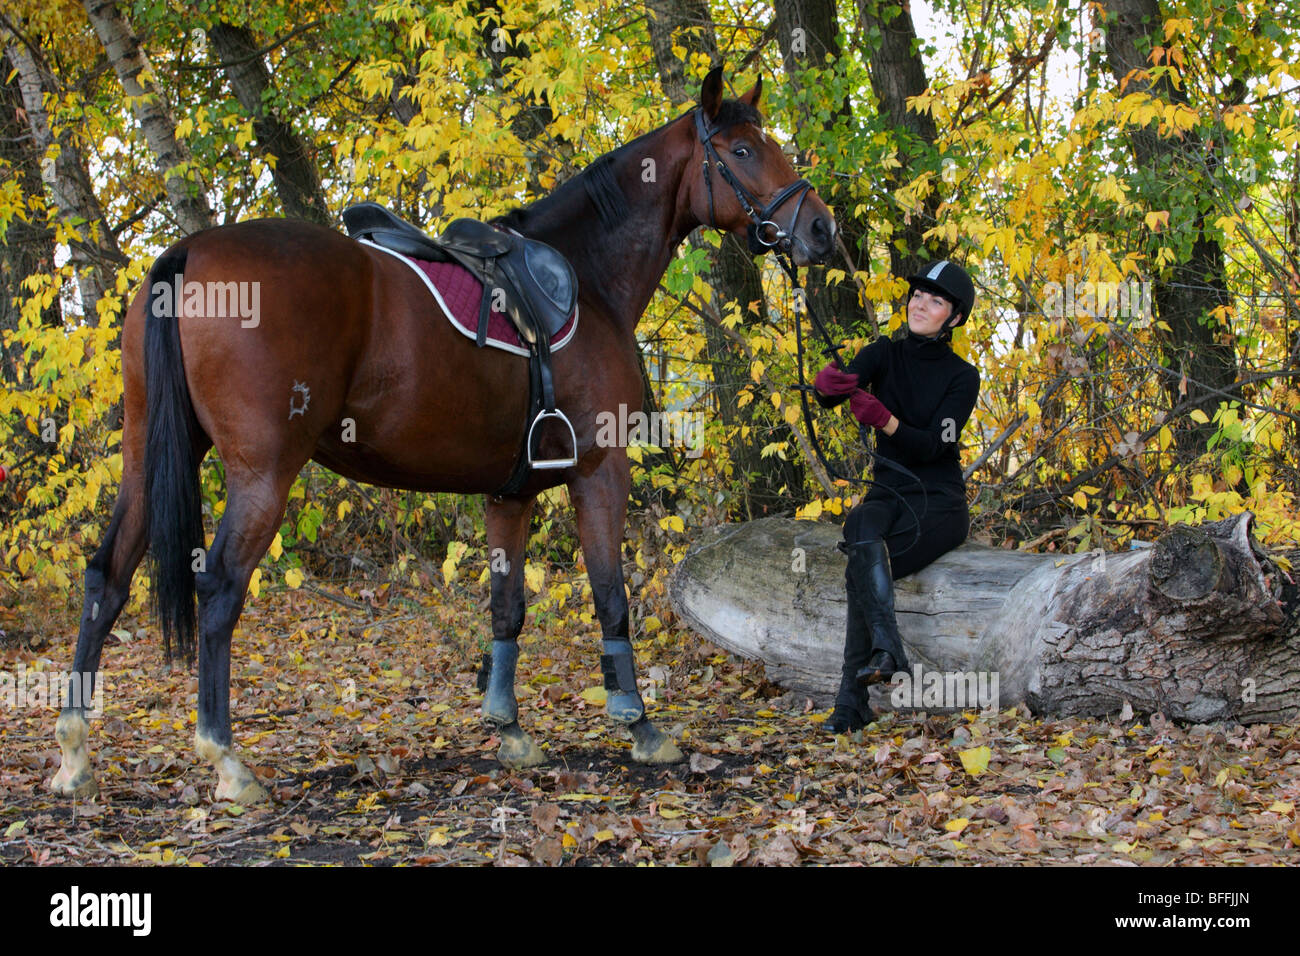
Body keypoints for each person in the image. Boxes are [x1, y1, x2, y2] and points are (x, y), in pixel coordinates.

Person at [812, 260, 980, 733]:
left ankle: (851, 701)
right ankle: (888, 650)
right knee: (861, 524)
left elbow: (936, 444)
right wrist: (828, 385)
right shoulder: (885, 351)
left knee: (860, 567)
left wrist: (884, 419)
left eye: (935, 300)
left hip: (939, 503)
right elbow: (840, 384)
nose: (920, 305)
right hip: (889, 492)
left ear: (954, 317)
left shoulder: (963, 377)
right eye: (917, 295)